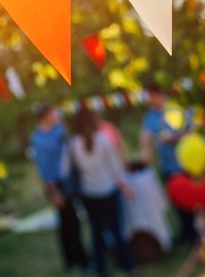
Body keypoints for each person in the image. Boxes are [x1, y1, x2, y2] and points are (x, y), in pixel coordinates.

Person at [64, 106, 135, 277]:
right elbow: (115, 167)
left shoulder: (72, 144)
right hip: (108, 191)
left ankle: (101, 270)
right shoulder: (102, 140)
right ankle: (128, 267)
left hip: (89, 194)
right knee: (117, 231)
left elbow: (64, 171)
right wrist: (124, 186)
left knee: (96, 233)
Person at [29, 105, 89, 272]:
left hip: (70, 181)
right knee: (68, 223)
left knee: (74, 222)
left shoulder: (58, 130)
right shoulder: (38, 140)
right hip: (57, 185)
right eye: (53, 114)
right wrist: (54, 193)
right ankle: (75, 259)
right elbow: (45, 169)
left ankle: (79, 257)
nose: (57, 116)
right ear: (45, 117)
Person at [139, 83, 197, 246]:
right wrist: (146, 152)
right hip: (168, 166)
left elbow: (193, 129)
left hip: (185, 163)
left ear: (158, 94)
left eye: (150, 97)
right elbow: (146, 135)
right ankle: (186, 231)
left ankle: (197, 232)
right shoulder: (152, 115)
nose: (148, 101)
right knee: (177, 201)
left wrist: (175, 138)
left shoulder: (177, 108)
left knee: (189, 199)